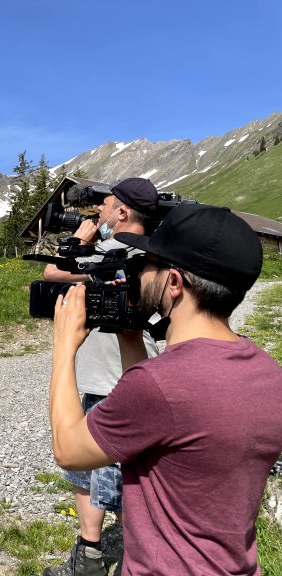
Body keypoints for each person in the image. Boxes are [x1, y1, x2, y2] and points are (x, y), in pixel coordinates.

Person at [49, 203, 282, 575]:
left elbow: (69, 451)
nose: (138, 275)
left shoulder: (160, 385)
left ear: (174, 283)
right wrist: (129, 337)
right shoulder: (268, 372)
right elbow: (167, 421)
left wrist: (64, 348)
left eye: (146, 265)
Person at [43, 178, 160, 576]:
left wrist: (79, 237)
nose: (100, 215)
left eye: (105, 207)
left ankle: (122, 561)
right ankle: (95, 554)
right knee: (100, 475)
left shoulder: (114, 252)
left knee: (117, 482)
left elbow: (51, 272)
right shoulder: (159, 257)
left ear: (122, 213)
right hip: (118, 375)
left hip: (111, 384)